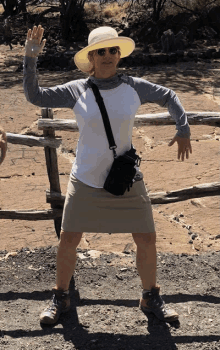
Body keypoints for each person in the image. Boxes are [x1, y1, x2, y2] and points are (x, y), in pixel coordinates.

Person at [23, 25, 192, 325]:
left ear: (119, 54)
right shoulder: (77, 89)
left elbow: (169, 94)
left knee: (147, 238)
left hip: (126, 179)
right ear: (91, 57)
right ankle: (60, 297)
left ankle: (150, 296)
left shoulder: (134, 86)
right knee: (69, 239)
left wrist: (183, 128)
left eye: (113, 50)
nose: (108, 56)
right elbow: (35, 95)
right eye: (101, 51)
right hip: (85, 180)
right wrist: (30, 57)